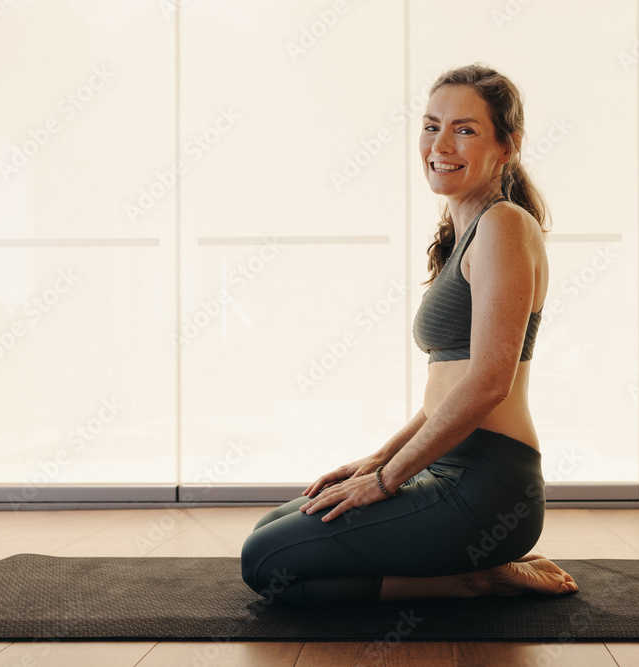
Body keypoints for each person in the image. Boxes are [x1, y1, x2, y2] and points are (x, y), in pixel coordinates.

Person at [240, 63, 579, 605]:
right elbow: (449, 391)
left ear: (507, 146)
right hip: (445, 462)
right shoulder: (464, 234)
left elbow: (490, 382)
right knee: (270, 530)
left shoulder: (504, 225)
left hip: (488, 483)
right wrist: (376, 460)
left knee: (266, 565)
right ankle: (482, 569)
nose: (440, 143)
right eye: (431, 124)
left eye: (464, 129)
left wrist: (385, 481)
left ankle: (477, 577)